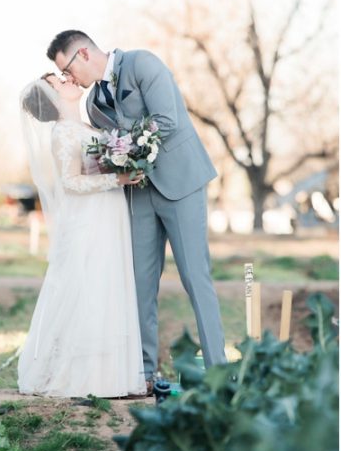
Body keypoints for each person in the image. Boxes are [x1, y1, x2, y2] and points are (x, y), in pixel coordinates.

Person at [47, 31, 227, 392]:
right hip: (138, 192)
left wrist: (124, 147)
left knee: (195, 277)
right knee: (141, 284)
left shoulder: (142, 63)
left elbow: (168, 120)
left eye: (67, 69)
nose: (69, 79)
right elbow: (106, 149)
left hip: (181, 183)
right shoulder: (93, 103)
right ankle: (144, 374)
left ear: (82, 53)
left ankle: (218, 371)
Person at [17, 73, 147, 398]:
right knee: (90, 288)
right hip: (90, 219)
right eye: (59, 82)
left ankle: (112, 376)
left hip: (110, 213)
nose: (67, 80)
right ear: (53, 98)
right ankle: (82, 377)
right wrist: (116, 181)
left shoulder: (89, 128)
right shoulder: (63, 133)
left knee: (109, 285)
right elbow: (71, 183)